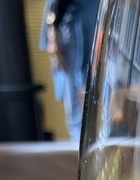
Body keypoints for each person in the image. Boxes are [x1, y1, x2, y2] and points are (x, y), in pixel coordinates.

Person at [41, 0, 100, 141]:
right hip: (73, 30)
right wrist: (52, 29)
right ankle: (80, 144)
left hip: (104, 23)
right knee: (79, 115)